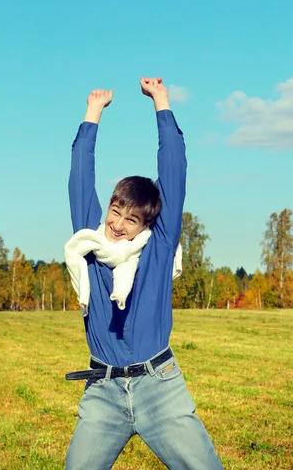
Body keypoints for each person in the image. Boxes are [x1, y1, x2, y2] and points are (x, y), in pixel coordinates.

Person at [63, 77, 223, 470]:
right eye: (115, 211)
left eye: (131, 219)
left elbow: (174, 171)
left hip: (159, 386)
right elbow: (80, 177)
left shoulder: (159, 246)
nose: (117, 224)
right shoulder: (90, 243)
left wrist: (162, 103)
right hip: (103, 389)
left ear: (146, 225)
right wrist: (93, 112)